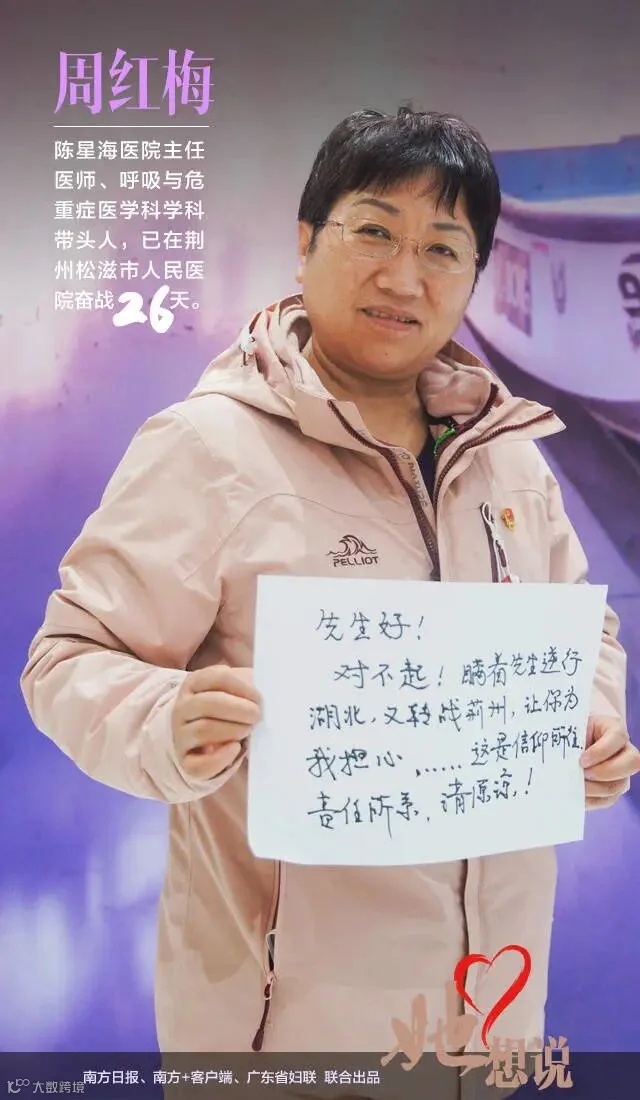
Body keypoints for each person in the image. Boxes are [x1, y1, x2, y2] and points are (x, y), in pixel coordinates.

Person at [21, 107, 638, 1080]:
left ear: (475, 273)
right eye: (374, 232)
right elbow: (68, 658)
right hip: (288, 1037)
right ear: (306, 241)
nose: (404, 276)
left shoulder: (506, 456)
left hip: (489, 1016)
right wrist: (165, 719)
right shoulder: (210, 446)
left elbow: (582, 624)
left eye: (442, 248)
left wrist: (585, 723)